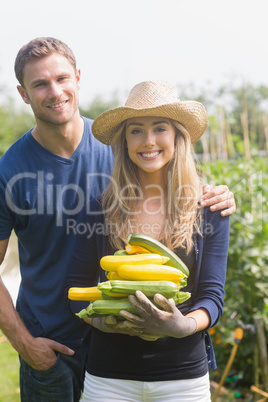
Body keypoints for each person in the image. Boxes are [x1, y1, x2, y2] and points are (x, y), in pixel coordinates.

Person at [0, 36, 234, 402]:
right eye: (40, 83)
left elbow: (210, 289)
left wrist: (218, 196)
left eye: (61, 78)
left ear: (78, 78)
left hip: (150, 359)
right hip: (54, 345)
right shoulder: (11, 170)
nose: (55, 91)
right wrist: (25, 343)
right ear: (23, 93)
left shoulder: (125, 152)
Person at [66, 80, 230, 402]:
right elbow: (76, 288)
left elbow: (212, 295)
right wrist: (103, 321)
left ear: (177, 137)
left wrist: (182, 326)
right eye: (136, 130)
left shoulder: (209, 207)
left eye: (160, 128)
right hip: (108, 379)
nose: (149, 141)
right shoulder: (100, 207)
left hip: (183, 380)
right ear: (125, 141)